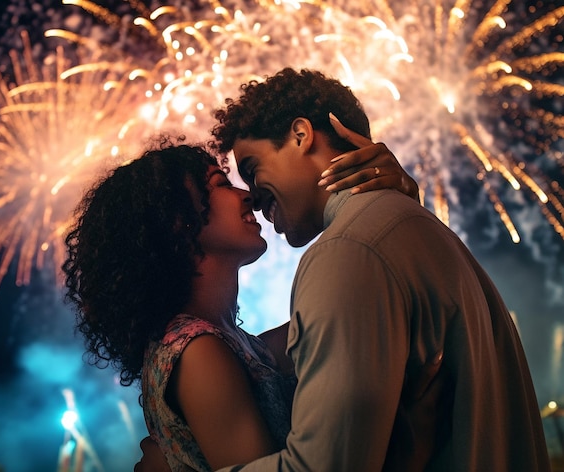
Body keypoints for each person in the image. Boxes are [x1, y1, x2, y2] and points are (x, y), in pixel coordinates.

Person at [203, 68, 551, 471]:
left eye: (250, 169)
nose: (251, 195)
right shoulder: (418, 228)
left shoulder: (347, 252)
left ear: (301, 135)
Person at [62, 136, 417, 471]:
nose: (248, 196)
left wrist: (394, 201)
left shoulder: (238, 346)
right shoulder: (198, 353)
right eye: (220, 184)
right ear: (177, 222)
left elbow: (351, 309)